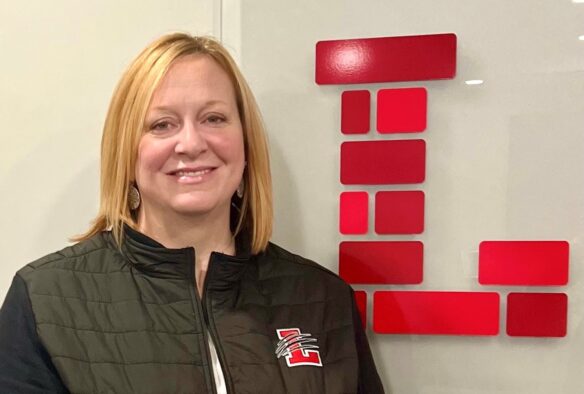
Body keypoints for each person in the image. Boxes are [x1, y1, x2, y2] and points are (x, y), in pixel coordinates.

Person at [0, 33, 385, 393]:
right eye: (161, 124)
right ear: (127, 151)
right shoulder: (46, 299)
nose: (191, 143)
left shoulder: (322, 298)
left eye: (213, 118)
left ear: (245, 141)